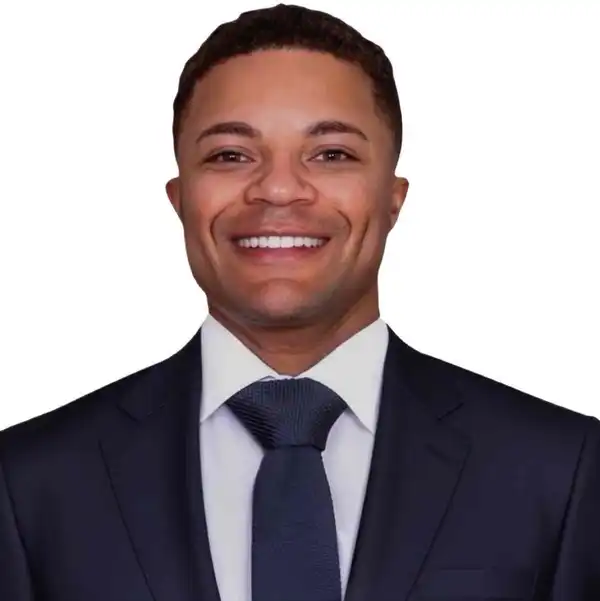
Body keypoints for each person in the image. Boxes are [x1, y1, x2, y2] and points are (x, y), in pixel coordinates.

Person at [1, 3, 599, 600]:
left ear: (393, 199)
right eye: (230, 155)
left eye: (332, 154)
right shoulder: (29, 482)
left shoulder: (559, 468)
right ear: (180, 199)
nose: (279, 189)